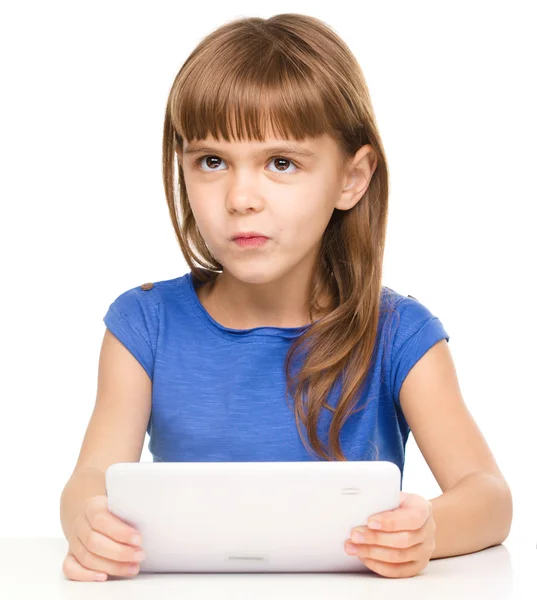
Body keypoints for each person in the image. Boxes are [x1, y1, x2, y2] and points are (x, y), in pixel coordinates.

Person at [60, 12, 512, 583]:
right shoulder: (143, 325)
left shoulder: (399, 333)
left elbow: (491, 499)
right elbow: (89, 478)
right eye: (212, 161)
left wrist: (426, 528)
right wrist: (86, 520)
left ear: (352, 177)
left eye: (280, 163)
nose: (241, 197)